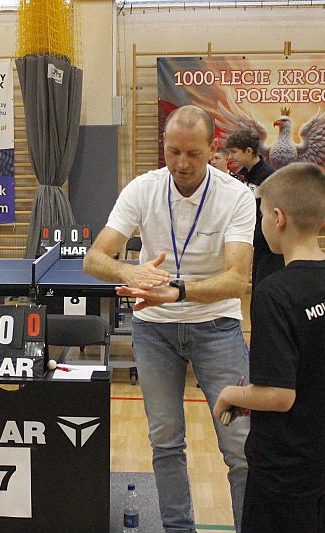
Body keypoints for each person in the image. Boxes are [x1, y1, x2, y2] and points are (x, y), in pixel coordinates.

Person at [84, 105, 256, 533]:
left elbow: (237, 280)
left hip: (217, 327)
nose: (181, 163)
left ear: (213, 149)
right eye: (173, 151)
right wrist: (129, 272)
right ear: (163, 145)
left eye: (193, 153)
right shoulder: (143, 189)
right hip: (154, 330)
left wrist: (178, 290)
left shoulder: (235, 197)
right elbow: (95, 258)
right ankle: (178, 529)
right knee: (164, 440)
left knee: (239, 446)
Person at [212, 162, 325, 533]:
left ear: (277, 218)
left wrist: (232, 394)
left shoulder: (275, 293)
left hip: (282, 467)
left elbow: (279, 395)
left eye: (261, 215)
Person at [225, 128, 284, 295]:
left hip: (269, 246)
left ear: (248, 151)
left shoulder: (270, 178)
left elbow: (274, 214)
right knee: (257, 287)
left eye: (234, 152)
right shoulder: (241, 176)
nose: (231, 157)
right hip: (253, 243)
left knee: (266, 288)